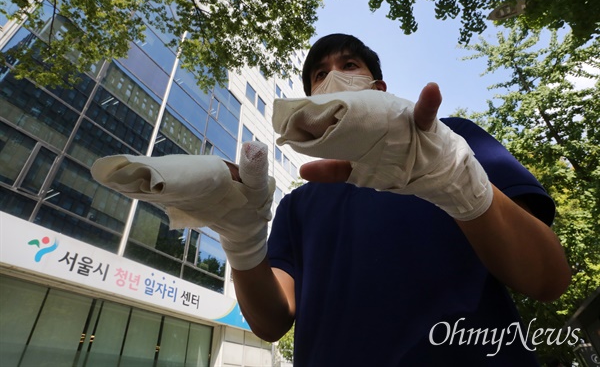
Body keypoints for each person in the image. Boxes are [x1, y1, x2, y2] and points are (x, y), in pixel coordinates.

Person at [91, 33, 571, 365]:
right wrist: (239, 237)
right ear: (307, 109)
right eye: (319, 75)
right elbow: (272, 320)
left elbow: (548, 278)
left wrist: (454, 179)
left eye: (349, 65)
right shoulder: (301, 204)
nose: (333, 78)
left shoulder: (451, 143)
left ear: (378, 87)